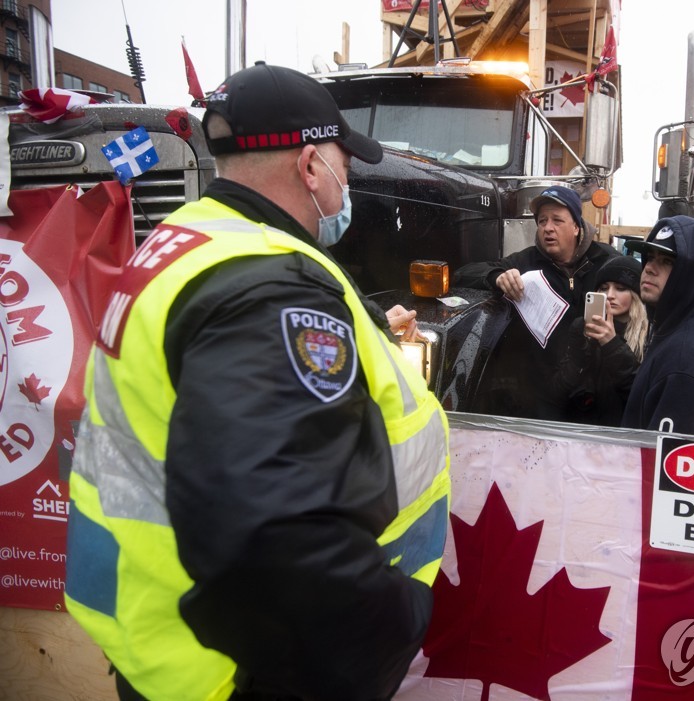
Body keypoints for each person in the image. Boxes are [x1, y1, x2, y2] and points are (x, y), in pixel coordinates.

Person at [64, 63, 451, 701]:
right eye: (344, 166)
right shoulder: (266, 286)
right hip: (237, 675)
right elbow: (277, 536)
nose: (346, 182)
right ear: (309, 167)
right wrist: (388, 632)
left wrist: (367, 328)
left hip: (165, 648)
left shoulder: (184, 245)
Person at [454, 185, 618, 420]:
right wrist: (497, 277)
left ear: (576, 226)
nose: (548, 228)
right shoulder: (526, 261)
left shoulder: (605, 259)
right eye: (542, 221)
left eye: (557, 221)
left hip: (599, 396)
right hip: (545, 398)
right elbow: (464, 273)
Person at [621, 215, 694, 439]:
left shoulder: (687, 357)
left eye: (667, 261)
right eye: (650, 257)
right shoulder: (683, 330)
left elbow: (664, 467)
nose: (649, 268)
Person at [554, 255, 647, 426]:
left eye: (620, 288)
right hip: (580, 433)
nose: (610, 295)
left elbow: (640, 396)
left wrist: (612, 344)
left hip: (621, 435)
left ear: (636, 294)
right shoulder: (583, 328)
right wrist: (578, 350)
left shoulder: (647, 335)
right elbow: (560, 390)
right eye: (603, 288)